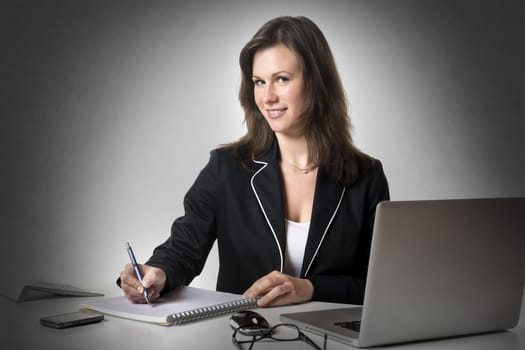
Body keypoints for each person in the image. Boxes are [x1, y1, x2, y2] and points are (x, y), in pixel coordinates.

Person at [119, 16, 389, 307]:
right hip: (244, 335)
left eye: (282, 79)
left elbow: (378, 284)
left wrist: (311, 288)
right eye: (259, 82)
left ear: (316, 83)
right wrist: (156, 272)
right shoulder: (226, 167)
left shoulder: (366, 175)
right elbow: (184, 247)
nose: (267, 96)